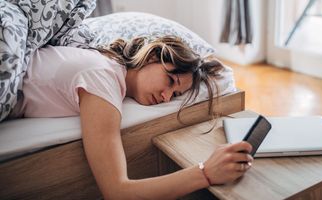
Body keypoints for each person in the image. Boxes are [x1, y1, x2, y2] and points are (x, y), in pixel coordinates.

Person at [6, 36, 253, 199]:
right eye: (170, 81)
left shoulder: (107, 66)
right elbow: (117, 191)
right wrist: (205, 173)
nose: (167, 97)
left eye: (176, 94)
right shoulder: (102, 78)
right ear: (153, 56)